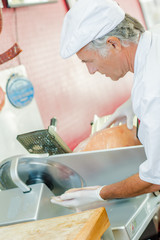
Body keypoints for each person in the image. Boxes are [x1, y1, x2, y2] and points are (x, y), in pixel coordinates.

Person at [51, 0, 160, 209]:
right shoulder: (155, 35)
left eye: (88, 61)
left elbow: (155, 178)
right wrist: (131, 103)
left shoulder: (150, 92)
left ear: (113, 44)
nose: (91, 71)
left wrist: (99, 194)